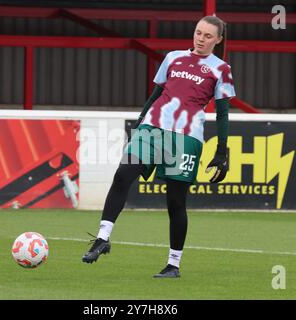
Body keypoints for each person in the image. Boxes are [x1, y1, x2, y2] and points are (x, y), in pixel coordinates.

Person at [82, 15, 236, 278]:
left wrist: (222, 150)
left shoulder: (221, 69)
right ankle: (102, 238)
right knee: (122, 175)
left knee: (175, 202)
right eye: (198, 33)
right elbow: (155, 95)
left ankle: (173, 264)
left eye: (208, 36)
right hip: (151, 129)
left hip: (186, 138)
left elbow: (222, 113)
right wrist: (139, 124)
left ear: (218, 40)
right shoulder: (173, 57)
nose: (201, 39)